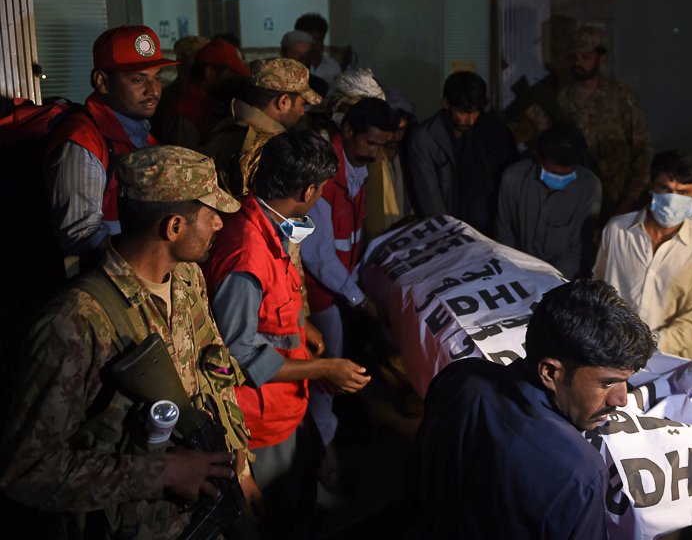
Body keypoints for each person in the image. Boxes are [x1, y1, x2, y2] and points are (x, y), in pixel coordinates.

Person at [0, 146, 255, 538]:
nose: (220, 225)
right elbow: (28, 470)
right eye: (210, 215)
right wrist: (162, 472)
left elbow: (214, 372)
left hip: (197, 512)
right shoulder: (77, 321)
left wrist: (240, 466)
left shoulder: (187, 281)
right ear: (174, 228)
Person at [203, 131, 369, 538]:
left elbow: (270, 308)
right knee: (280, 516)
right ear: (309, 189)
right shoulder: (247, 254)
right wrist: (325, 367)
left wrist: (300, 324)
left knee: (300, 492)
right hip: (261, 422)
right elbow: (237, 352)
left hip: (285, 409)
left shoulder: (261, 222)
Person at [415, 279, 656, 539]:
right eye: (608, 382)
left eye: (626, 381)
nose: (621, 399)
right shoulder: (579, 473)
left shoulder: (458, 377)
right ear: (550, 372)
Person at [300, 98, 398, 483]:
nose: (377, 153)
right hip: (321, 294)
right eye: (371, 144)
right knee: (327, 381)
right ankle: (324, 464)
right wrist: (358, 297)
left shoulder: (356, 170)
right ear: (348, 133)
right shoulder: (325, 179)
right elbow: (318, 254)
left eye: (383, 145)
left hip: (339, 289)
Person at [45, 24, 177, 264]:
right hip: (108, 282)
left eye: (157, 78)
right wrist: (143, 261)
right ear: (102, 82)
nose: (153, 90)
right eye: (138, 80)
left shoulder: (141, 132)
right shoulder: (83, 141)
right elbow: (81, 233)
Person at [592, 151, 692, 357]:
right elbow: (597, 287)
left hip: (668, 362)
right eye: (665, 189)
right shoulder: (617, 230)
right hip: (607, 351)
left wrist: (637, 347)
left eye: (683, 193)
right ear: (651, 187)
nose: (672, 199)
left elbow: (691, 325)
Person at [557, 25, 652, 217]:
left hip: (618, 197)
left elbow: (642, 149)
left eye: (586, 56)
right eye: (574, 56)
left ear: (602, 59)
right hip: (575, 197)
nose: (578, 62)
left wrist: (630, 199)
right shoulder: (562, 99)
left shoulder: (621, 95)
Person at [407, 70, 516, 235]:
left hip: (486, 230)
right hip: (447, 231)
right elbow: (430, 200)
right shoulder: (424, 138)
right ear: (446, 104)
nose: (471, 120)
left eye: (475, 112)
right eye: (463, 113)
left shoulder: (493, 130)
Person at [200, 58, 321, 196]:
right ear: (284, 102)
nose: (302, 112)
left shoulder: (225, 128)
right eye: (301, 104)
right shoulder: (267, 147)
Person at [496, 124, 601, 278]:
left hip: (561, 278)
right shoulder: (513, 178)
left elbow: (578, 250)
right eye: (552, 173)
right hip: (516, 270)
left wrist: (549, 282)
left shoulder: (589, 187)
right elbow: (504, 234)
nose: (559, 179)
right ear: (539, 158)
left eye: (566, 174)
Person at [162, 37, 251, 148]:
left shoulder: (213, 103)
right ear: (211, 73)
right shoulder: (186, 113)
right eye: (231, 75)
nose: (235, 82)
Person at [363, 89, 417, 241]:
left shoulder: (408, 158)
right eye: (391, 130)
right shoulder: (370, 158)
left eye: (401, 130)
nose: (395, 137)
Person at [294, 12, 342, 89]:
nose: (314, 45)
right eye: (310, 41)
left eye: (318, 40)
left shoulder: (333, 66)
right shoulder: (292, 67)